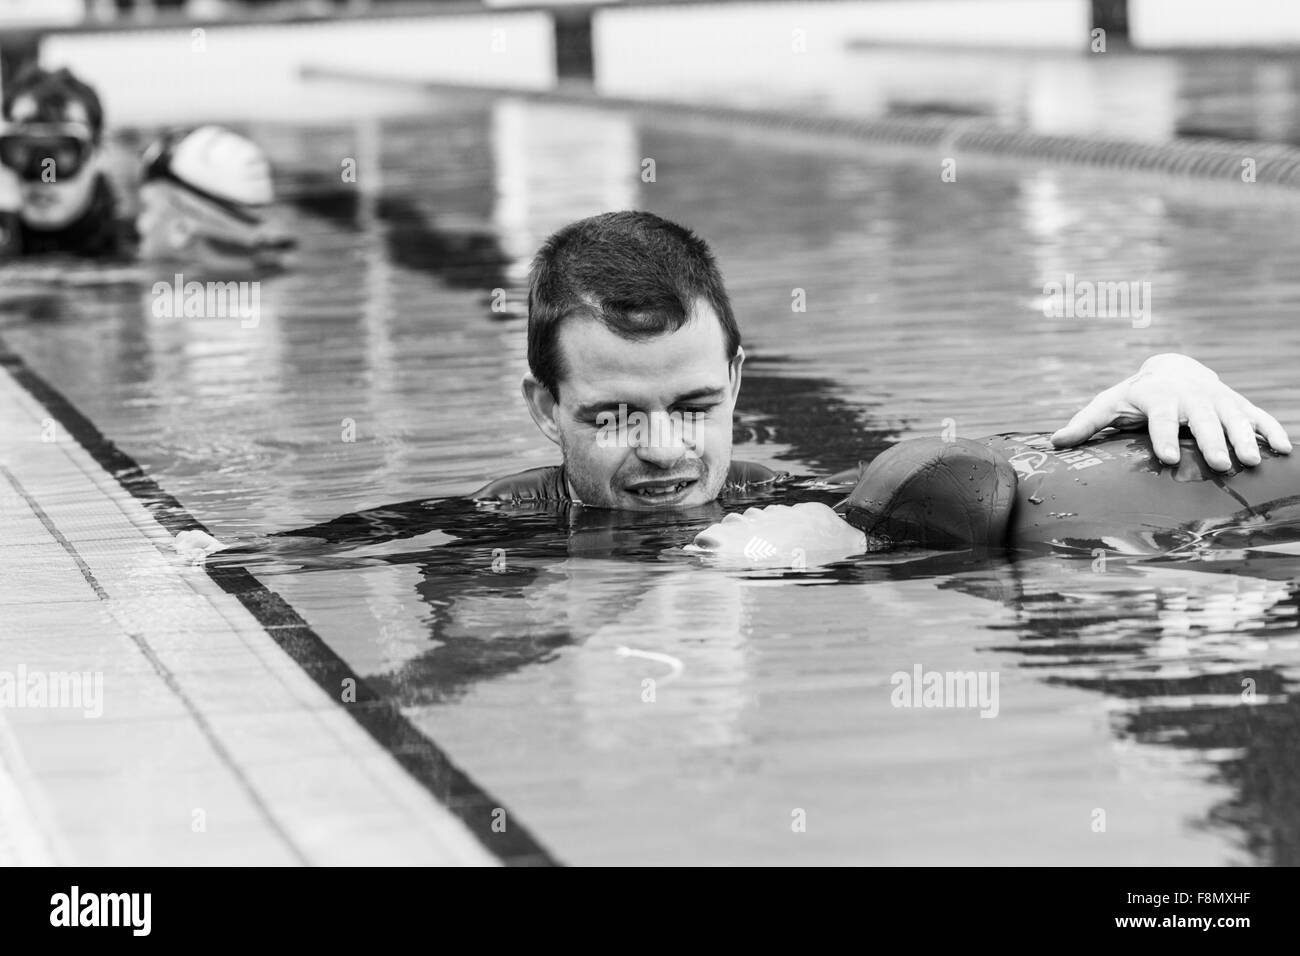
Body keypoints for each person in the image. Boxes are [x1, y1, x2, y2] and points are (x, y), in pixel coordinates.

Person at [471, 211, 1289, 509]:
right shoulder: (475, 540)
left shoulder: (792, 501)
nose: (663, 448)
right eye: (613, 415)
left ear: (736, 380)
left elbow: (980, 478)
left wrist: (1167, 377)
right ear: (544, 409)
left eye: (693, 407)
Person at [0, 65, 128, 258]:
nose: (45, 176)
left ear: (98, 153)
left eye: (62, 152)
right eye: (25, 150)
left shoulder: (139, 249)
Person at [136, 125, 291, 275]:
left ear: (181, 230)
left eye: (148, 208)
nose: (141, 225)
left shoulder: (171, 295)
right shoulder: (275, 281)